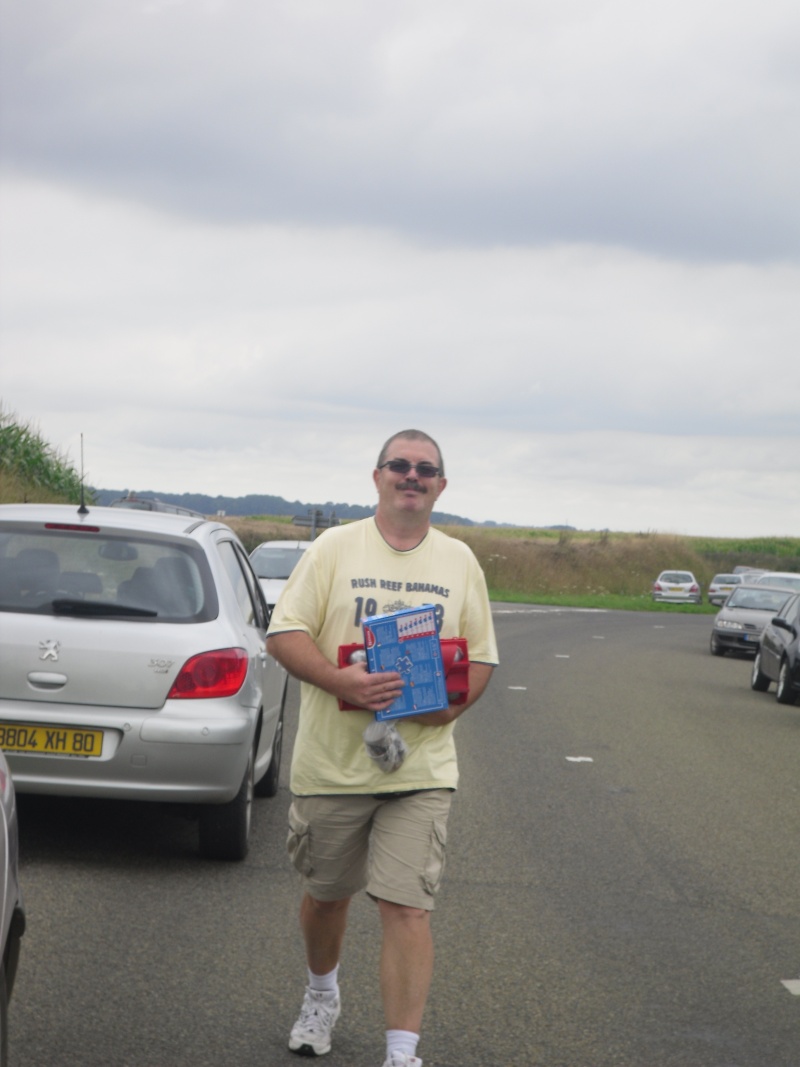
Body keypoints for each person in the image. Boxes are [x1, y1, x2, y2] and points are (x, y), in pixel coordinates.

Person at [266, 428, 499, 1067]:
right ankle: (322, 995)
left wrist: (446, 708)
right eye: (399, 465)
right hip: (332, 766)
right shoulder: (334, 549)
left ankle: (402, 1052)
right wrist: (341, 681)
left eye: (426, 469)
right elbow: (284, 633)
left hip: (420, 767)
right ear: (377, 477)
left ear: (441, 487)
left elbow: (480, 658)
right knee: (326, 897)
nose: (411, 476)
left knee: (407, 906)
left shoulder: (459, 562)